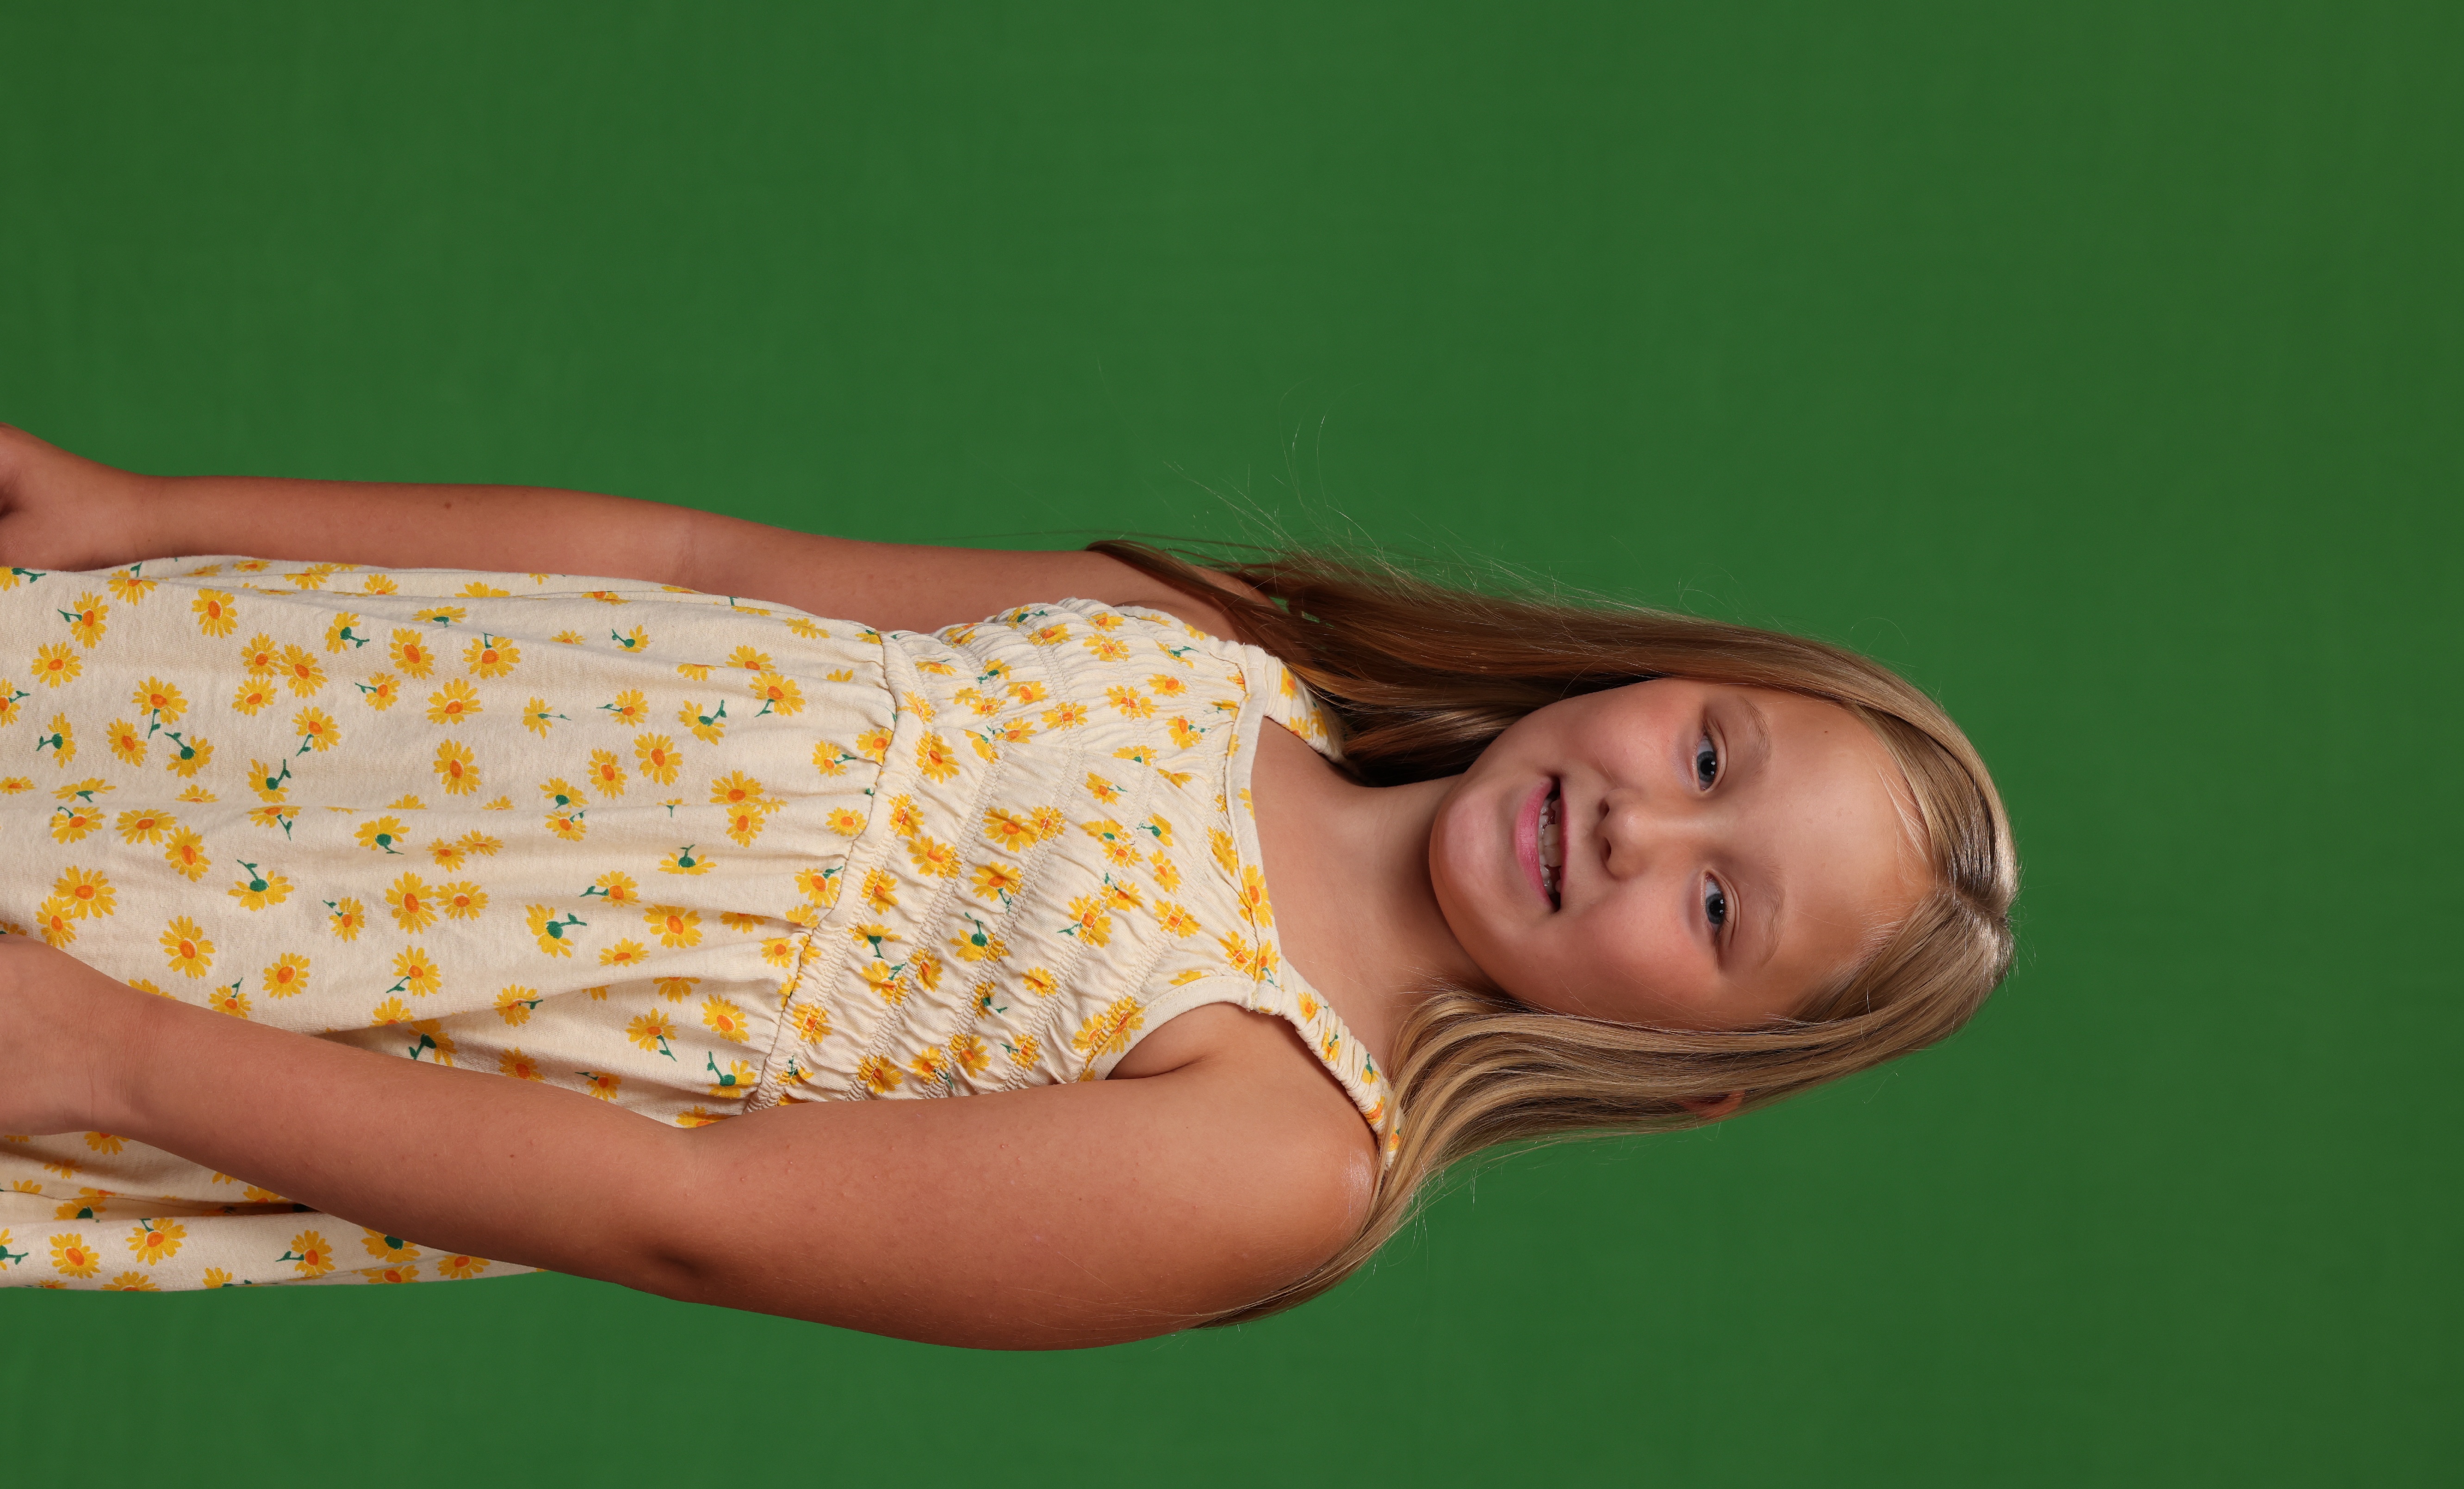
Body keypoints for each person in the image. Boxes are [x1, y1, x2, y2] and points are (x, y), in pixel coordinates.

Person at [0, 425, 2015, 1345]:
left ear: (1690, 1067)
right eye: (1711, 758)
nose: (1647, 830)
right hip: (209, 690)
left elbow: (688, 1213)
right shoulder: (1205, 648)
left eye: (1721, 911)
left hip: (218, 990)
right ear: (1671, 675)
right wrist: (149, 514)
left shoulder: (1276, 1145)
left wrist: (116, 1057)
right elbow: (696, 564)